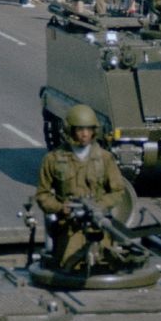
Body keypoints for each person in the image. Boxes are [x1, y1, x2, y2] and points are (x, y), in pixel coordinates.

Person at [34, 104, 129, 269]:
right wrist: (60, 208)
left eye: (88, 129)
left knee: (105, 264)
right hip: (69, 226)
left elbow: (118, 191)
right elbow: (43, 195)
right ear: (70, 130)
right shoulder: (53, 159)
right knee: (68, 265)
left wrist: (99, 206)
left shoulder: (105, 159)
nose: (85, 134)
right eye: (79, 129)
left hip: (98, 225)